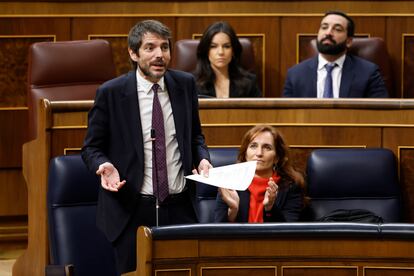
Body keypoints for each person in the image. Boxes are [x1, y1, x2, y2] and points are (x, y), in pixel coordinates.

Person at [81, 19, 212, 275]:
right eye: (150, 47)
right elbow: (91, 148)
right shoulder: (111, 93)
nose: (159, 55)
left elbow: (195, 136)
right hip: (131, 209)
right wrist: (103, 165)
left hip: (180, 207)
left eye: (164, 47)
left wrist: (203, 158)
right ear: (133, 53)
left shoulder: (184, 85)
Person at [283, 11, 388, 98]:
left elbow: (380, 114)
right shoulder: (295, 74)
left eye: (337, 29)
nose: (328, 33)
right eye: (324, 27)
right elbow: (286, 116)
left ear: (349, 41)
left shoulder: (368, 72)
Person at [214, 125, 305, 223]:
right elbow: (216, 233)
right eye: (253, 146)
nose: (259, 153)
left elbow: (288, 232)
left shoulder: (290, 187)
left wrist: (270, 208)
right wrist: (233, 211)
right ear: (245, 154)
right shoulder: (229, 183)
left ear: (277, 158)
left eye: (267, 147)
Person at [194, 21, 262, 98]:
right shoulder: (192, 83)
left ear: (233, 51)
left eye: (226, 46)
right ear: (206, 51)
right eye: (213, 46)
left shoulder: (249, 82)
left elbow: (260, 110)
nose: (221, 52)